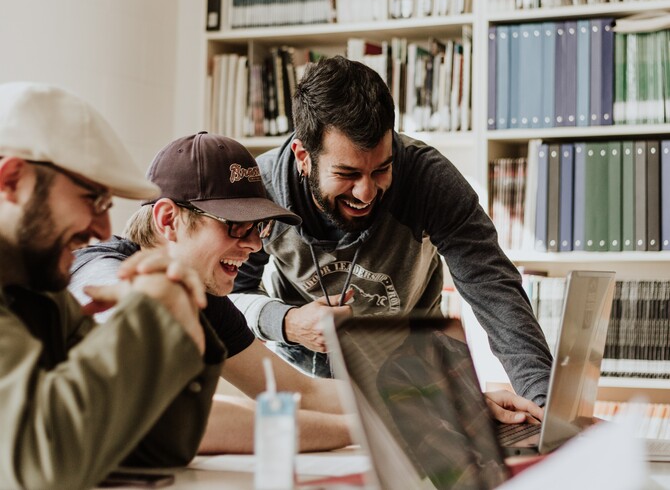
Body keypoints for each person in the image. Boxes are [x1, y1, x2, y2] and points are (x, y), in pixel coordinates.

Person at [231, 55, 554, 407]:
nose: (366, 193)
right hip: (305, 387)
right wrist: (288, 322)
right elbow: (230, 296)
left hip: (414, 380)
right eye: (347, 174)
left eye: (381, 169)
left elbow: (495, 291)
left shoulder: (429, 180)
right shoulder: (261, 192)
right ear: (303, 156)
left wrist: (543, 404)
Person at [0, 82, 225, 490]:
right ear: (13, 180)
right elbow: (41, 468)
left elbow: (153, 448)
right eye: (93, 199)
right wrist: (152, 313)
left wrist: (178, 311)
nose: (104, 229)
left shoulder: (41, 294)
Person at [69, 131, 353, 453]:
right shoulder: (101, 275)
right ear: (168, 220)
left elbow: (298, 392)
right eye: (236, 224)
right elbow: (174, 418)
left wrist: (401, 405)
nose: (255, 245)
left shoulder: (203, 297)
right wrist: (361, 430)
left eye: (258, 227)